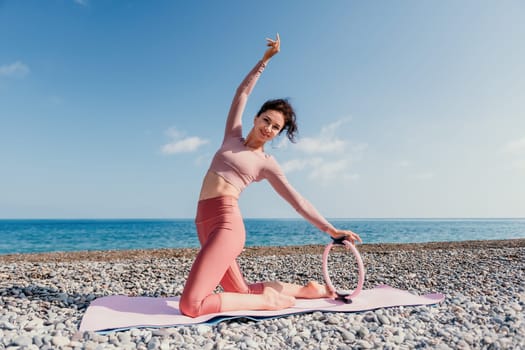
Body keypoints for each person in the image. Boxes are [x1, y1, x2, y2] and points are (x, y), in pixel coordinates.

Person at [179, 34, 362, 318]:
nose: (269, 128)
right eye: (266, 120)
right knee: (241, 292)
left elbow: (297, 201)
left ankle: (271, 302)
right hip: (204, 222)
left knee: (190, 306)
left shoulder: (266, 164)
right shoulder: (232, 137)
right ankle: (307, 291)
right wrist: (264, 61)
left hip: (227, 225)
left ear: (278, 133)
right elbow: (242, 94)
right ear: (256, 118)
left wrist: (331, 230)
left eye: (276, 127)